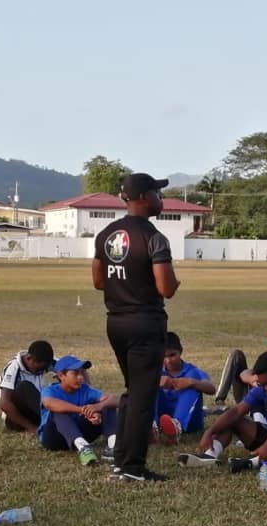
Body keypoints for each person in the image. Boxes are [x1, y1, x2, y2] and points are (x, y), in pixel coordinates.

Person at [92, 172, 180, 482]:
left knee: (133, 392)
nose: (161, 199)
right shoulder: (154, 237)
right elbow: (166, 287)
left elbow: (98, 281)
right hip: (145, 321)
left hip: (115, 322)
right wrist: (173, 281)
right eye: (157, 193)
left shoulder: (106, 234)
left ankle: (121, 459)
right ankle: (131, 467)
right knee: (144, 398)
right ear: (143, 197)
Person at [178, 350, 267, 472]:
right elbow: (236, 411)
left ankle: (254, 462)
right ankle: (210, 456)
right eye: (261, 384)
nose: (266, 388)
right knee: (233, 420)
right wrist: (210, 431)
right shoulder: (262, 387)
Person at [39, 355, 119, 467]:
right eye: (75, 373)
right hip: (54, 439)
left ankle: (113, 446)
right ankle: (83, 448)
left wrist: (98, 407)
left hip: (81, 432)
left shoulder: (85, 389)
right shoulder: (50, 390)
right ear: (61, 375)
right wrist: (83, 410)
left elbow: (116, 400)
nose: (81, 377)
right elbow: (49, 403)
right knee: (57, 411)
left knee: (107, 404)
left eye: (82, 373)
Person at [156, 331, 215, 445]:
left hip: (190, 422)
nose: (168, 360)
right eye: (164, 356)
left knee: (192, 381)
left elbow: (212, 389)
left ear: (180, 351)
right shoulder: (158, 370)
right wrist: (155, 382)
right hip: (162, 419)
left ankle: (177, 425)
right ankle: (152, 426)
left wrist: (191, 382)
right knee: (150, 384)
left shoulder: (191, 370)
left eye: (172, 355)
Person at [0, 340, 56, 433]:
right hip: (18, 419)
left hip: (41, 413)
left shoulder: (48, 364)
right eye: (38, 369)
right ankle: (54, 418)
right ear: (29, 358)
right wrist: (32, 427)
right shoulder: (14, 367)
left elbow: (77, 368)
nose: (41, 371)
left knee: (59, 381)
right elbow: (4, 404)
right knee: (24, 387)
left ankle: (60, 419)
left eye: (43, 369)